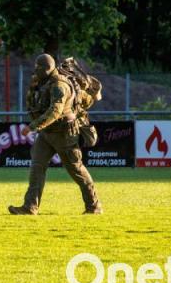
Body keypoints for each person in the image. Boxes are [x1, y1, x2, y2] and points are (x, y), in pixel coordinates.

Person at [8, 54, 102, 215]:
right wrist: (32, 89)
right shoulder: (43, 83)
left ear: (47, 69)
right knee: (37, 166)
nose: (35, 71)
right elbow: (34, 106)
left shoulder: (60, 85)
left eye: (38, 68)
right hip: (47, 133)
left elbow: (55, 111)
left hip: (64, 133)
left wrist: (32, 127)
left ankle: (94, 206)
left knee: (76, 170)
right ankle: (30, 207)